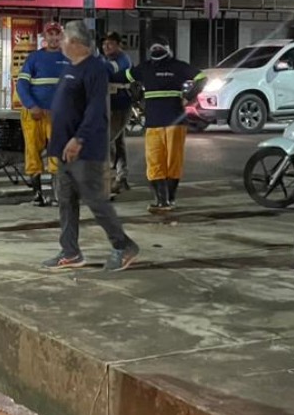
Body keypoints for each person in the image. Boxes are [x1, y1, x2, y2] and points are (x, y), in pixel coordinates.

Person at [41, 21, 139, 271]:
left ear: (75, 43)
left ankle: (123, 245)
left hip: (84, 150)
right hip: (64, 150)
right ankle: (70, 251)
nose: (60, 43)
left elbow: (96, 109)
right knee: (66, 201)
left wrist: (79, 138)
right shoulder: (71, 67)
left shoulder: (94, 69)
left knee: (96, 201)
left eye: (63, 39)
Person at [111, 38, 205, 213]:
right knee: (155, 162)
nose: (156, 49)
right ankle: (162, 201)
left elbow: (201, 77)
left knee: (172, 162)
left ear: (168, 49)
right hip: (154, 124)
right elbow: (122, 76)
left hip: (175, 124)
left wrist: (190, 95)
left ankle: (168, 200)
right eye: (154, 47)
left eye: (159, 47)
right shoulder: (145, 68)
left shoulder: (177, 66)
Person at [15, 21, 69, 206]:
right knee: (32, 152)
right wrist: (31, 106)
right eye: (50, 34)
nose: (54, 38)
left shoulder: (68, 59)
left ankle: (56, 195)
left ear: (62, 37)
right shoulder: (34, 58)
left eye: (57, 34)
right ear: (44, 38)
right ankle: (37, 194)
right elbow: (21, 84)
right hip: (34, 114)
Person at [102, 31, 133, 195]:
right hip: (110, 105)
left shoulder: (121, 60)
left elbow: (108, 70)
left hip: (120, 105)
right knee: (118, 142)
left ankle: (113, 177)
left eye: (111, 43)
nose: (106, 46)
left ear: (118, 45)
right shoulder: (106, 59)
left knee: (107, 139)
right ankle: (122, 177)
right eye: (104, 43)